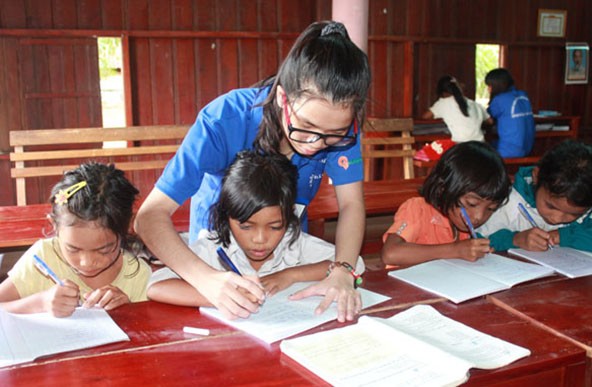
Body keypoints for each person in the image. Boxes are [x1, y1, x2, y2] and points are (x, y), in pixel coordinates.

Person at [134, 20, 371, 322]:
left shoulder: (343, 129)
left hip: (285, 246)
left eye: (332, 135)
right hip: (218, 250)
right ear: (283, 98)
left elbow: (351, 204)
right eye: (307, 127)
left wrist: (342, 271)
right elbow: (149, 216)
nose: (315, 144)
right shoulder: (224, 120)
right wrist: (206, 281)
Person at [146, 151, 365, 307]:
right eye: (246, 226)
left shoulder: (293, 242)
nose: (260, 239)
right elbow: (156, 286)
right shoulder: (213, 247)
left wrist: (290, 275)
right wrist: (219, 295)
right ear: (227, 218)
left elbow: (356, 265)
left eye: (275, 226)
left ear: (290, 218)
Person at [0, 162, 151, 317]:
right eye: (73, 249)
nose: (86, 262)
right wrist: (41, 302)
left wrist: (128, 311)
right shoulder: (42, 257)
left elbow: (150, 328)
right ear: (55, 226)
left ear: (125, 229)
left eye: (104, 250)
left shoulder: (137, 274)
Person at [381, 141, 511, 268]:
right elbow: (390, 254)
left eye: (491, 209)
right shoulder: (418, 209)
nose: (479, 216)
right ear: (443, 189)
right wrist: (455, 250)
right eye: (471, 204)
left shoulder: (462, 224)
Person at [477, 140, 592, 253]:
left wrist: (563, 236)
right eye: (551, 206)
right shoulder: (507, 201)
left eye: (574, 214)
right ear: (536, 176)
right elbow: (476, 239)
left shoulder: (591, 199)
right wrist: (514, 239)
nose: (556, 219)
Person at [422, 75, 490, 143]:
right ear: (460, 88)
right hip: (481, 143)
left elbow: (425, 117)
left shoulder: (443, 103)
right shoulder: (474, 104)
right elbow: (490, 121)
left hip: (461, 145)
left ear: (443, 93)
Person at [485, 68, 535, 158]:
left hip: (510, 151)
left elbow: (487, 118)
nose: (488, 89)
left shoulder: (499, 100)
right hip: (528, 147)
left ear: (496, 85)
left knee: (482, 149)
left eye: (489, 85)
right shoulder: (523, 95)